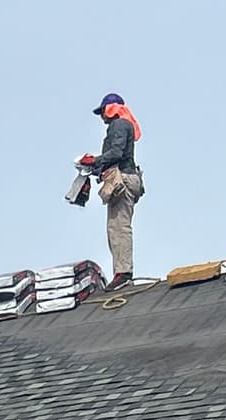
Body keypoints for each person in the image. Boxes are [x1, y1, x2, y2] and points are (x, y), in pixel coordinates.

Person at [79, 93, 143, 291]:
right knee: (116, 227)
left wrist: (95, 160)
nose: (102, 117)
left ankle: (123, 273)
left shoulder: (119, 124)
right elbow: (116, 156)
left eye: (102, 111)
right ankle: (121, 271)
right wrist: (94, 170)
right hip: (127, 176)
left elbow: (116, 153)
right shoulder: (123, 125)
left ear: (110, 108)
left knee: (118, 227)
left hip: (123, 178)